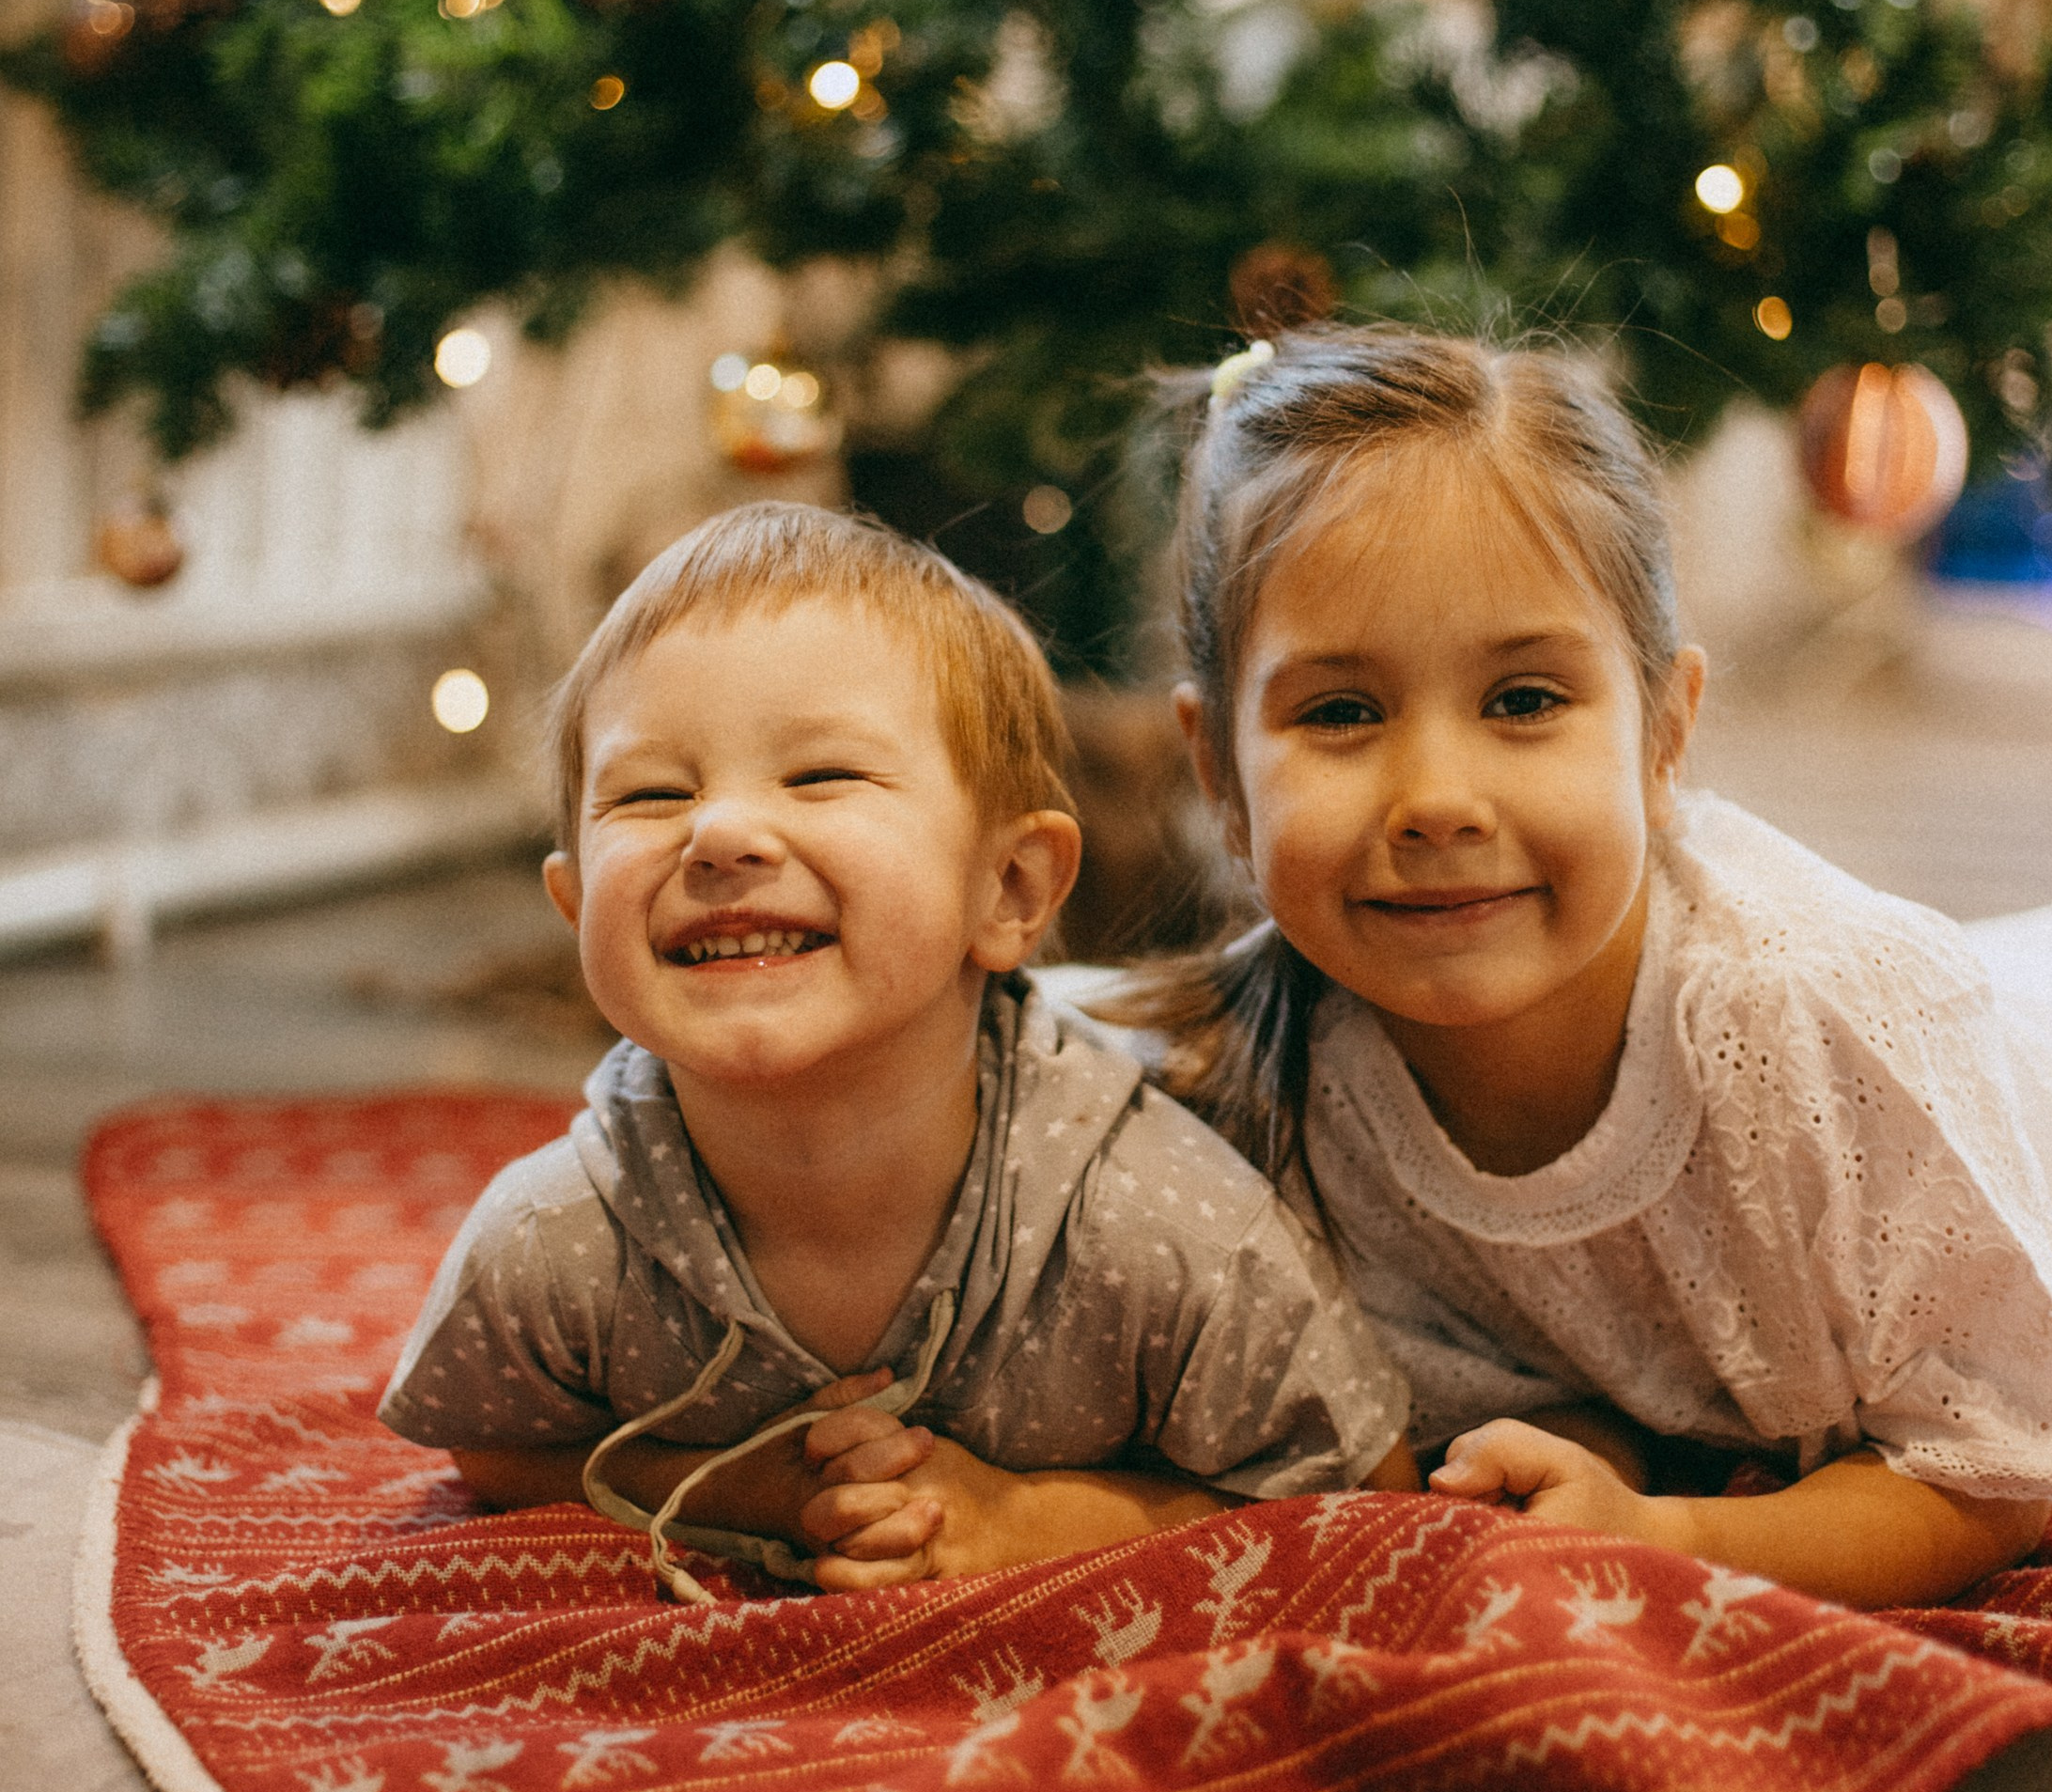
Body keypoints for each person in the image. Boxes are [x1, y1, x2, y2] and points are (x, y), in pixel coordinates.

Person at [1112, 320, 2052, 1612]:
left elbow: (1992, 1473)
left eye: (1523, 701)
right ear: (1221, 774)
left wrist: (1663, 1536)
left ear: (1665, 735)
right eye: (1341, 712)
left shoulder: (1817, 1014)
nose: (1438, 799)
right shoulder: (1262, 1081)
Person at [380, 502, 1415, 1592]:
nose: (722, 833)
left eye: (820, 776)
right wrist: (747, 1487)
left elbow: (1363, 1490)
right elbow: (491, 1440)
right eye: (653, 794)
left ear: (1009, 889)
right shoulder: (553, 1238)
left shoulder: (1163, 1230)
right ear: (575, 898)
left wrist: (1043, 1520)